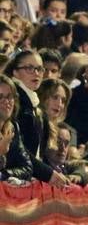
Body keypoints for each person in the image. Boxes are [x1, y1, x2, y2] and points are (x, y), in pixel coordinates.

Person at [3, 49, 65, 185]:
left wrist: (53, 171)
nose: (36, 73)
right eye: (29, 68)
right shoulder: (15, 100)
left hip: (27, 175)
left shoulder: (33, 103)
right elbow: (19, 149)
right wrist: (48, 173)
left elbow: (38, 153)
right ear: (15, 72)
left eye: (39, 69)